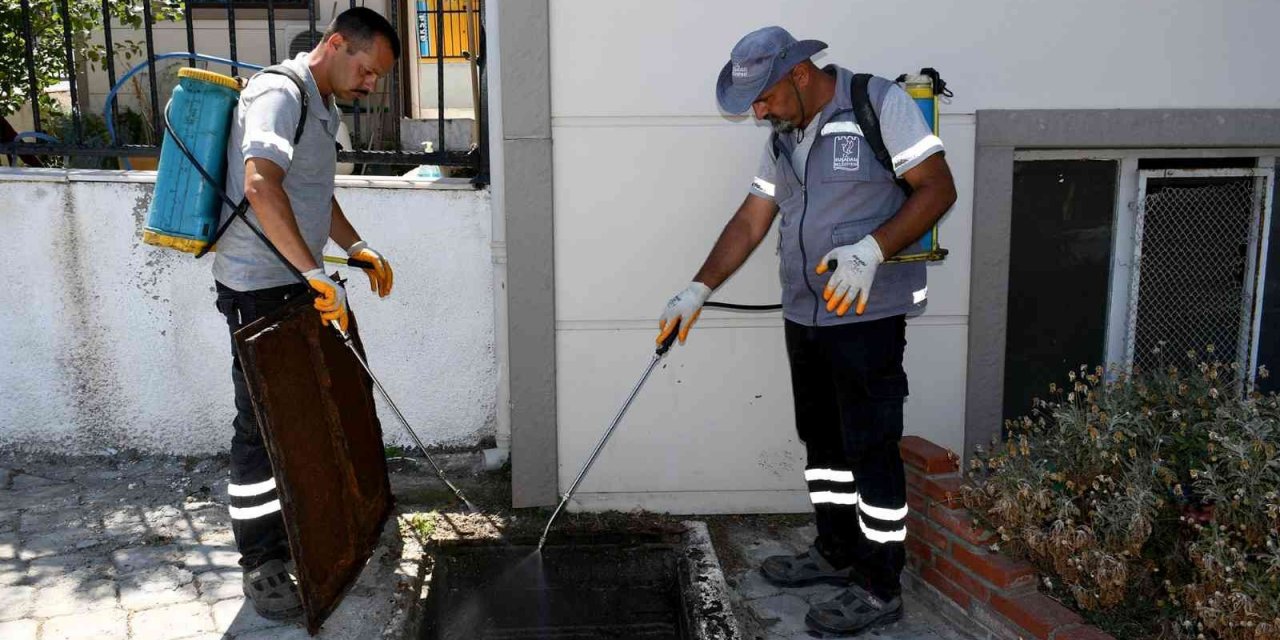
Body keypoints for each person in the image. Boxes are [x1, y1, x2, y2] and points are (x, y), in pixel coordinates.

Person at [657, 26, 956, 636]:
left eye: (762, 98)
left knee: (871, 449)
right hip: (805, 315)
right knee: (823, 443)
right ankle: (836, 549)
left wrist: (872, 249)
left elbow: (938, 189)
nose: (758, 112)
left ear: (798, 73)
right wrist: (699, 287)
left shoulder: (876, 104)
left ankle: (878, 583)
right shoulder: (783, 137)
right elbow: (751, 218)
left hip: (867, 318)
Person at [211, 7, 400, 620]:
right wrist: (315, 273)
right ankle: (262, 564)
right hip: (257, 289)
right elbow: (262, 185)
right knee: (259, 426)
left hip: (295, 283)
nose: (371, 84)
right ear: (337, 44)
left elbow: (314, 191)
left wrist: (356, 247)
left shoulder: (323, 105)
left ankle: (314, 527)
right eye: (368, 71)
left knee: (311, 409)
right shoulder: (277, 92)